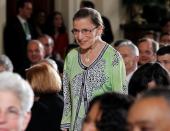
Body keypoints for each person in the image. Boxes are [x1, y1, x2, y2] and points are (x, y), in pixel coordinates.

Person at [60, 8, 126, 131]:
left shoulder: (113, 58)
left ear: (99, 29)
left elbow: (120, 101)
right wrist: (65, 126)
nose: (79, 37)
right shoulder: (71, 57)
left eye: (85, 31)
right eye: (76, 31)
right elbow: (67, 98)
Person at [26, 63, 64, 131]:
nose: (26, 83)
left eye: (28, 80)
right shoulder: (61, 100)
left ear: (37, 82)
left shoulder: (39, 108)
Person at [3, 0, 35, 77]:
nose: (30, 11)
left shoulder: (30, 25)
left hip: (29, 63)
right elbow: (8, 47)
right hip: (17, 65)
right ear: (20, 9)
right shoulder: (11, 25)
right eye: (28, 8)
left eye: (31, 9)